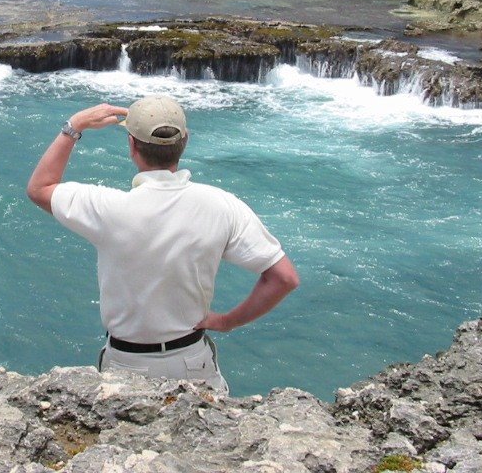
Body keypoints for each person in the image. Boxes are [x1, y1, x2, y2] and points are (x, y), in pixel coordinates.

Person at [26, 95, 298, 392]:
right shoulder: (222, 205)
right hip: (193, 360)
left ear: (132, 146)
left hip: (126, 365)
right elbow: (283, 278)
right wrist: (226, 321)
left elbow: (40, 188)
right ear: (185, 141)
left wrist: (73, 127)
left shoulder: (109, 209)